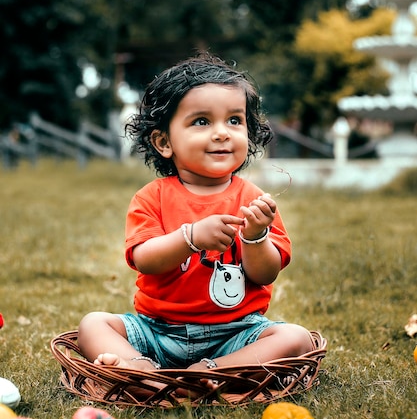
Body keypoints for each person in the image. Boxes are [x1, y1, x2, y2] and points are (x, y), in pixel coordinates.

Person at [77, 53, 314, 382]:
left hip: (236, 335)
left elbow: (265, 274)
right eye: (202, 121)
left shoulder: (254, 201)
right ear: (163, 142)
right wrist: (190, 238)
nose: (221, 133)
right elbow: (144, 259)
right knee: (93, 324)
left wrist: (256, 237)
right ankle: (141, 367)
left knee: (296, 338)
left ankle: (212, 372)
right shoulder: (152, 197)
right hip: (157, 332)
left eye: (234, 120)